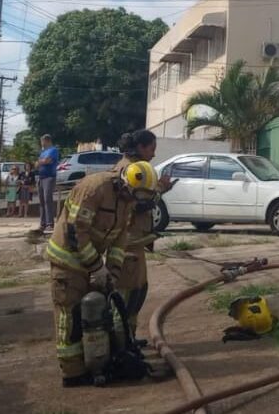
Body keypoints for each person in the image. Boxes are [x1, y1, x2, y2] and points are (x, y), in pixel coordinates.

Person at [46, 161, 154, 386]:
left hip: (90, 261)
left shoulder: (126, 200)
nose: (134, 202)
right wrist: (97, 266)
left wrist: (112, 273)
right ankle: (72, 374)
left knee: (93, 313)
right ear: (125, 184)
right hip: (67, 261)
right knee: (70, 316)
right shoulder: (94, 189)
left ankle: (94, 365)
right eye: (134, 196)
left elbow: (119, 239)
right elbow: (76, 232)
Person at [113, 130, 174, 342]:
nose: (154, 154)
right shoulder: (131, 170)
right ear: (140, 148)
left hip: (135, 241)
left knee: (138, 290)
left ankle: (128, 336)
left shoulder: (133, 168)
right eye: (151, 149)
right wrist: (160, 189)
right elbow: (138, 204)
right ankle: (121, 340)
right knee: (129, 293)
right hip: (128, 242)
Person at [37, 135, 60, 233]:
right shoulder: (43, 152)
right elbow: (37, 163)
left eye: (42, 141)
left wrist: (41, 162)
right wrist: (41, 161)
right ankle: (43, 223)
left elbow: (48, 161)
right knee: (42, 201)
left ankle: (50, 223)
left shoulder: (53, 150)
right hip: (41, 177)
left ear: (46, 141)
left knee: (47, 199)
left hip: (49, 177)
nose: (41, 143)